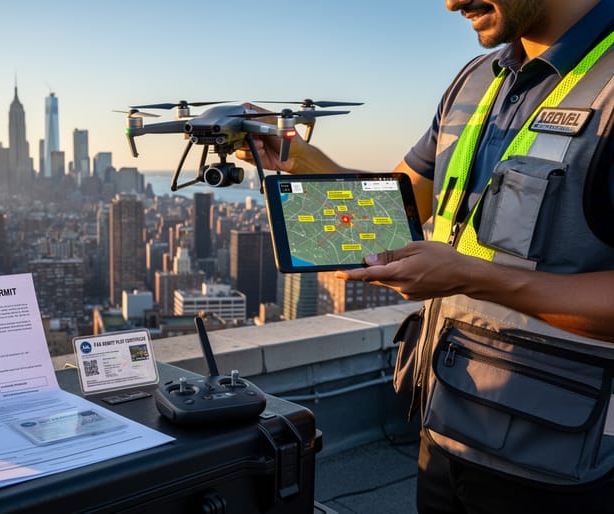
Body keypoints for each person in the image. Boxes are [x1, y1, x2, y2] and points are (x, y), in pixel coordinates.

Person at [237, 0, 614, 512]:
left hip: (566, 459)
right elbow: (389, 214)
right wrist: (295, 158)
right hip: (448, 427)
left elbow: (482, 275)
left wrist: (474, 278)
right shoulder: (479, 80)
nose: (451, 2)